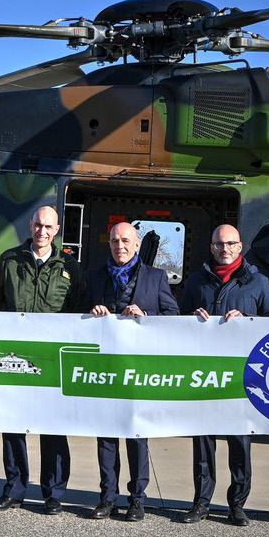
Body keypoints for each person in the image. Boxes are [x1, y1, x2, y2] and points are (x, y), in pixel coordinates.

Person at [0, 206, 87, 515]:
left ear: (57, 230)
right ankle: (14, 489)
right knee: (13, 426)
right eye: (38, 225)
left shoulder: (70, 266)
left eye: (48, 226)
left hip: (53, 361)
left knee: (53, 428)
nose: (42, 231)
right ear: (30, 226)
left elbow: (80, 313)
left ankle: (53, 493)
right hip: (15, 357)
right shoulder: (9, 260)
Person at [177, 224, 269, 526]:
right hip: (204, 376)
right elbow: (175, 321)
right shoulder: (196, 281)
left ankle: (237, 504)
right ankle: (201, 503)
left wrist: (248, 320)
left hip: (241, 377)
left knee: (239, 442)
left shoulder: (258, 283)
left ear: (240, 246)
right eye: (218, 244)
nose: (224, 249)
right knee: (203, 443)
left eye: (230, 243)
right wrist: (191, 318)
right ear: (211, 247)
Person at [86, 222, 179, 521]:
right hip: (105, 371)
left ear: (137, 244)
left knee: (137, 436)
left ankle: (137, 499)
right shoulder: (94, 277)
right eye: (114, 241)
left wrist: (146, 315)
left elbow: (174, 316)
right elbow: (75, 317)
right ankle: (107, 497)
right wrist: (92, 313)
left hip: (139, 372)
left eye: (126, 240)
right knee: (107, 437)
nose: (120, 246)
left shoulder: (156, 277)